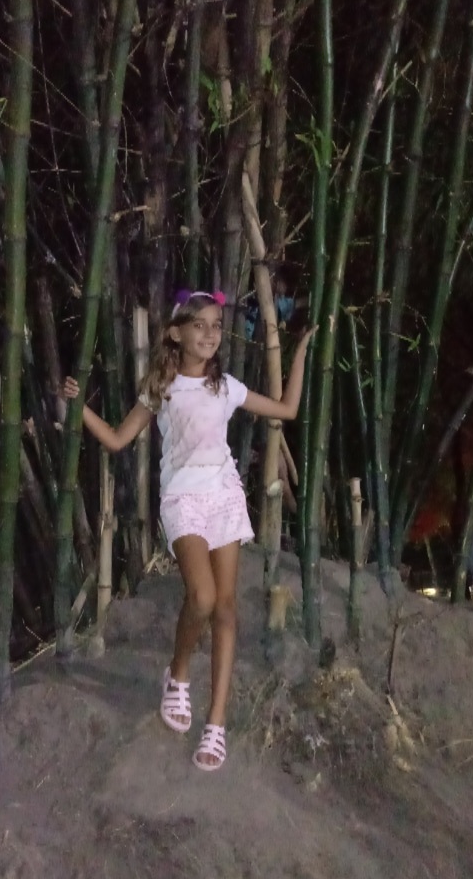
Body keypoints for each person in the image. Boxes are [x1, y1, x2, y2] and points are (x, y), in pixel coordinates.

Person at [62, 289, 314, 771]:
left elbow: (287, 410)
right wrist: (78, 407)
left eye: (217, 325)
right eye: (199, 325)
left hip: (224, 497)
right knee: (201, 597)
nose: (210, 334)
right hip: (182, 499)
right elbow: (117, 439)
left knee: (226, 606)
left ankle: (215, 722)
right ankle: (177, 673)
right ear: (176, 333)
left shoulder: (226, 387)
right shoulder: (162, 387)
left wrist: (299, 352)